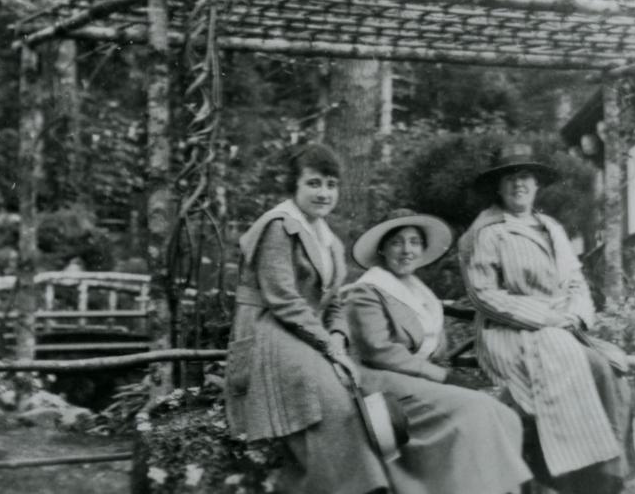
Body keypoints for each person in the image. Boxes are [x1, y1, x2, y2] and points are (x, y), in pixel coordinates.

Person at [458, 153, 635, 494]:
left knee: (612, 365)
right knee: (586, 366)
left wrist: (575, 315)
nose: (519, 184)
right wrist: (548, 319)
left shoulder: (551, 227)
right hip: (510, 331)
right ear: (498, 186)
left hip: (560, 327)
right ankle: (577, 478)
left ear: (537, 184)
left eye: (526, 176)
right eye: (510, 177)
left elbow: (575, 281)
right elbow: (484, 295)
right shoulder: (488, 232)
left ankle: (607, 472)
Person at [224, 143, 388, 494]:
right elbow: (283, 300)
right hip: (270, 330)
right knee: (330, 397)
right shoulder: (280, 226)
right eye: (313, 183)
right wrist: (330, 348)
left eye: (331, 184)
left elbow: (334, 302)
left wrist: (340, 339)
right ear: (294, 186)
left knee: (362, 390)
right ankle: (340, 485)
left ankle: (366, 483)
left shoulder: (328, 238)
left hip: (307, 333)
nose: (324, 193)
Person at [344, 208, 532, 494]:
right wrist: (443, 377)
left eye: (414, 242)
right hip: (381, 383)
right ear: (382, 248)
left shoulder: (419, 291)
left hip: (418, 381)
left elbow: (434, 347)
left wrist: (444, 376)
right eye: (397, 242)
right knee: (474, 411)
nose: (407, 250)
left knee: (503, 415)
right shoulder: (368, 290)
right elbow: (377, 351)